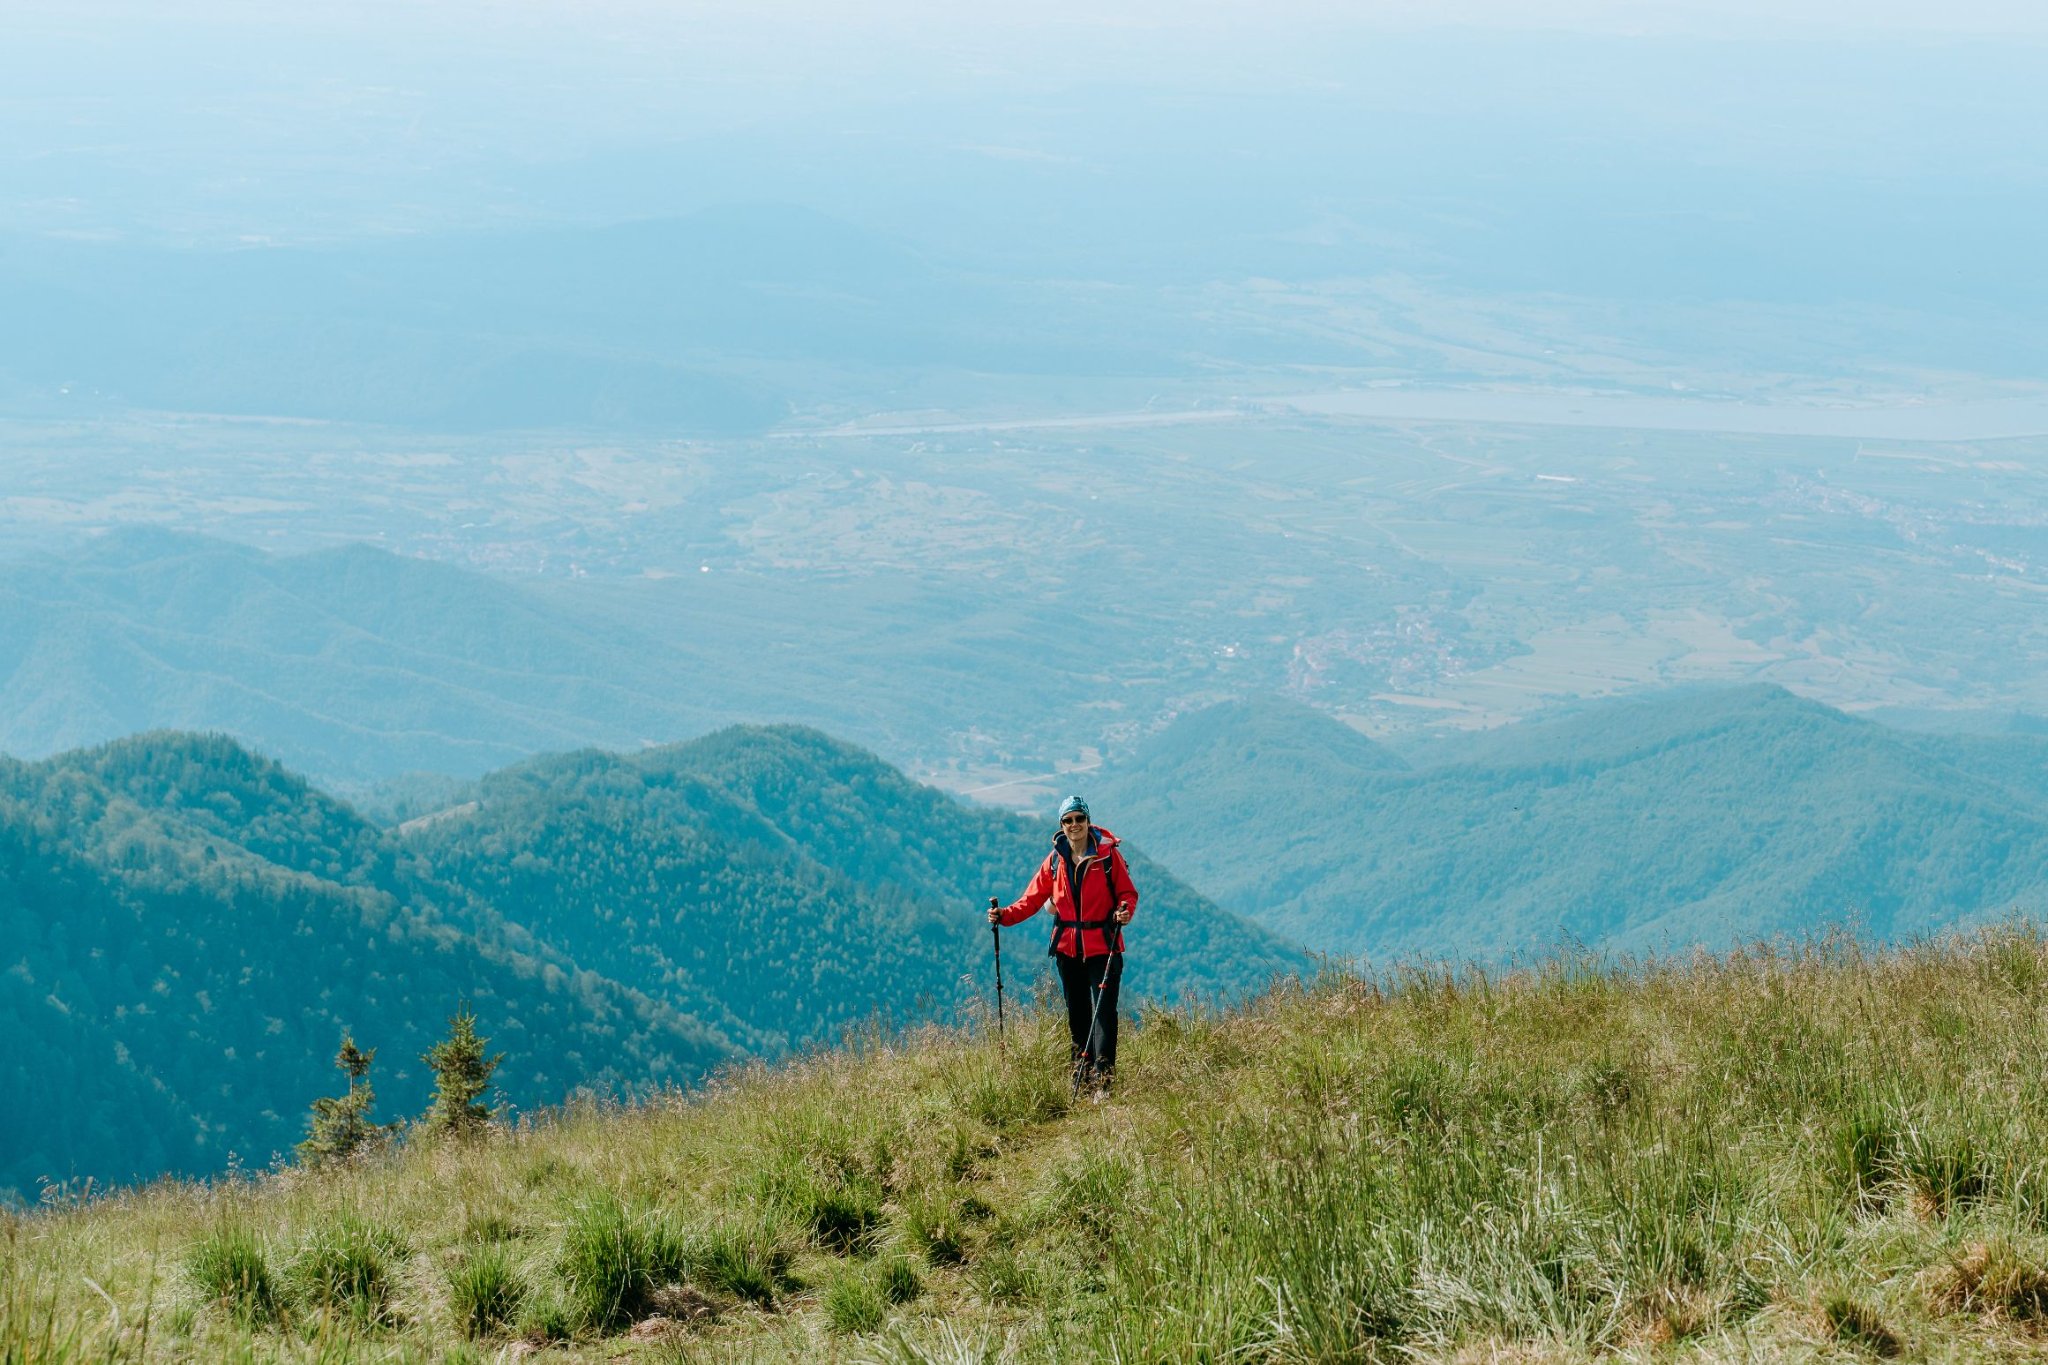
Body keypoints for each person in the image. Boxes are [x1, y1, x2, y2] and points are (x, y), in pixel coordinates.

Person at [989, 795, 1137, 1094]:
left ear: (1087, 821)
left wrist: (1124, 911)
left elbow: (1127, 893)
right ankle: (1081, 1080)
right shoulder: (1055, 860)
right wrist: (1004, 916)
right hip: (1067, 950)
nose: (1074, 825)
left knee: (1104, 1014)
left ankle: (1103, 1083)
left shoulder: (1108, 857)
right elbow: (1031, 899)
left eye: (1079, 819)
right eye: (1068, 820)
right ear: (1061, 825)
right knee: (1078, 1015)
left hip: (1103, 946)